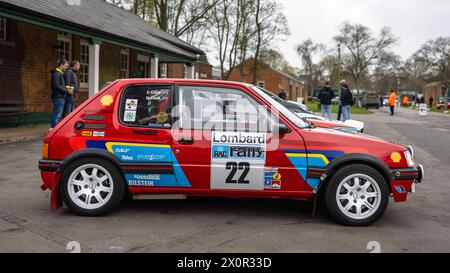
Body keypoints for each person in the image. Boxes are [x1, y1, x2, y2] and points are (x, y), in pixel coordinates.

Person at [50, 59, 69, 129]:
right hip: (58, 97)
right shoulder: (56, 74)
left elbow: (59, 85)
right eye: (65, 66)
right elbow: (56, 85)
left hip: (60, 96)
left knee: (58, 113)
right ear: (61, 65)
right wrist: (66, 90)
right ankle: (53, 129)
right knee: (57, 114)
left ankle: (54, 129)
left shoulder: (59, 73)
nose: (66, 68)